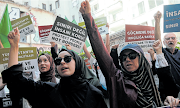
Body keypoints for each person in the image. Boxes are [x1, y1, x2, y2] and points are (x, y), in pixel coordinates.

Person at [79, 1, 179, 107]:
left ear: (141, 59)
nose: (127, 59)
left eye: (132, 56)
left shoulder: (153, 79)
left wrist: (168, 99)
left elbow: (168, 92)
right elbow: (102, 54)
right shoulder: (119, 82)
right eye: (123, 57)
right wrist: (88, 18)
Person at [1, 27, 107, 108]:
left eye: (67, 59)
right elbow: (16, 81)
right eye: (58, 60)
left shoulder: (94, 94)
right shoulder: (47, 90)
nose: (62, 62)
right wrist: (14, 47)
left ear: (78, 63)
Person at [154, 11, 180, 101]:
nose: (170, 40)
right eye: (167, 39)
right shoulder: (162, 52)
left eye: (173, 38)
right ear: (164, 42)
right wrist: (157, 21)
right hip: (168, 92)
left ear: (176, 40)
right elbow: (157, 40)